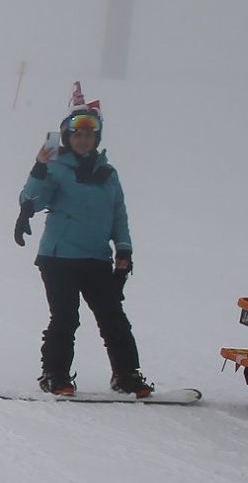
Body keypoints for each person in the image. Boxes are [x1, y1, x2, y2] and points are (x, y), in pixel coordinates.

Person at [16, 106, 149, 396]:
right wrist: (39, 167)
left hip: (96, 258)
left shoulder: (108, 173)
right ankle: (54, 376)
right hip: (58, 258)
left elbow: (118, 214)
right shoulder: (55, 167)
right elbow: (32, 201)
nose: (84, 140)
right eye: (78, 134)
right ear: (67, 136)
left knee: (113, 317)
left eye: (90, 135)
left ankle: (126, 376)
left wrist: (123, 251)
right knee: (65, 318)